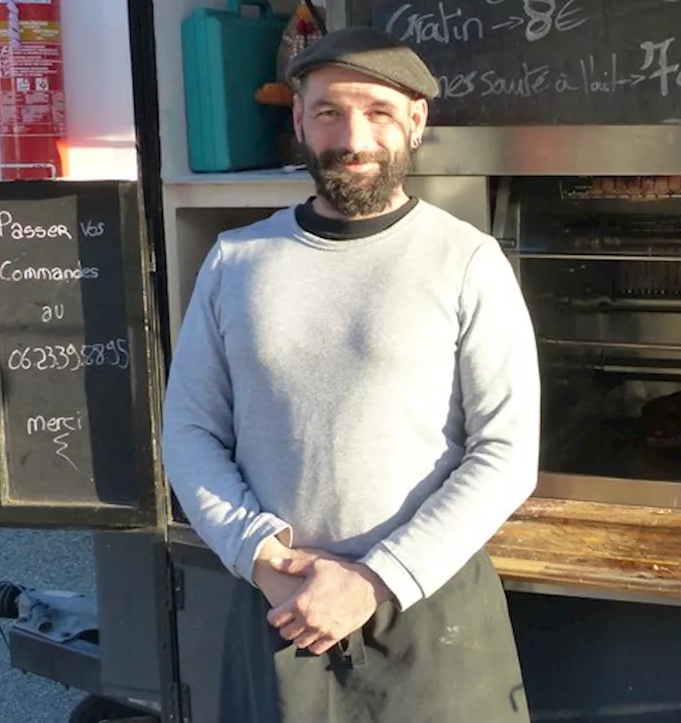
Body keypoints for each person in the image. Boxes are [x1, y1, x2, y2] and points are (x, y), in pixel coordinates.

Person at [160, 25, 540, 723]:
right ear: (299, 119)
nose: (352, 137)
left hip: (430, 608)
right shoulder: (235, 262)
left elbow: (507, 452)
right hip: (280, 608)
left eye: (378, 112)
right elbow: (188, 431)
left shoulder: (467, 262)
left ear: (416, 122)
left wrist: (375, 579)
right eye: (330, 111)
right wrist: (263, 559)